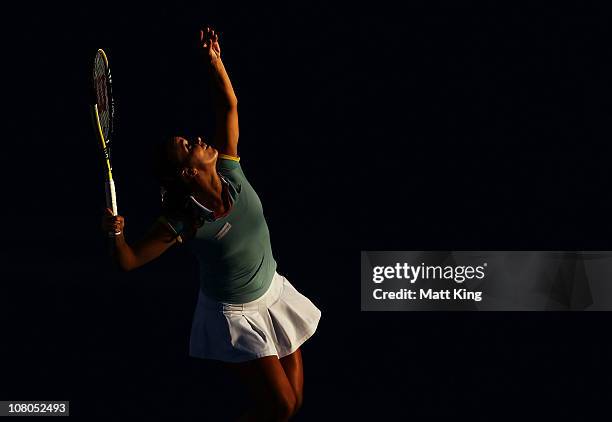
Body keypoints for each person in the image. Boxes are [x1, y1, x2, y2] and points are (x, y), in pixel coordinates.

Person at [101, 27, 321, 421]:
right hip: (235, 314)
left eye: (191, 138)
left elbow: (229, 107)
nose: (198, 139)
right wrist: (116, 233)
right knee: (283, 407)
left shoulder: (230, 170)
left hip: (272, 291)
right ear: (187, 173)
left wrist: (215, 62)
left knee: (293, 404)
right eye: (188, 146)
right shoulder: (183, 221)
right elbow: (129, 261)